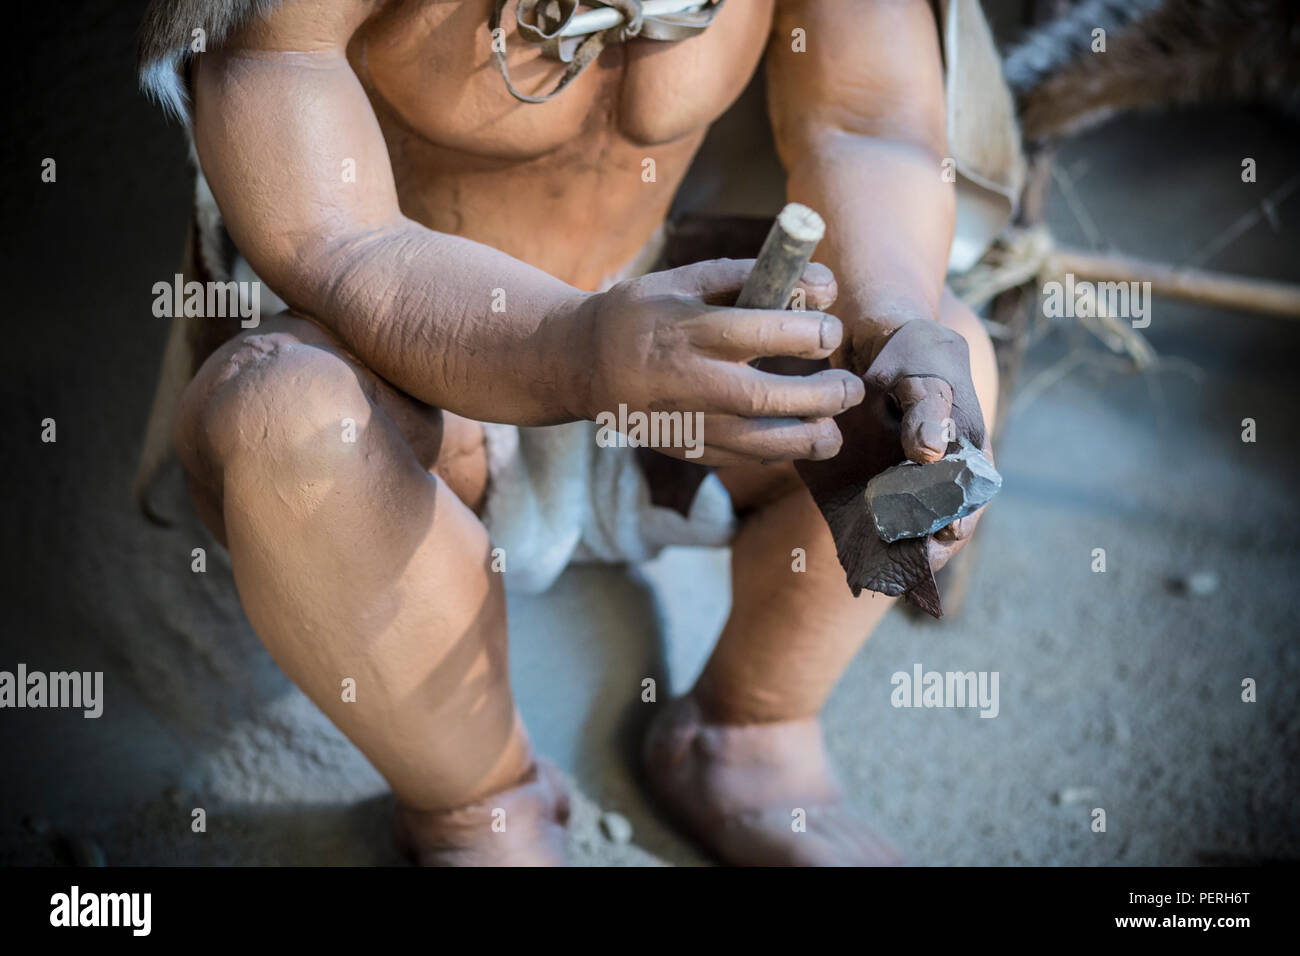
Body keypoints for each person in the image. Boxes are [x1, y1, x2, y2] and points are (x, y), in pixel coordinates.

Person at [138, 0, 1001, 865]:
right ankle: (479, 805)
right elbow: (330, 229)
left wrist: (890, 320)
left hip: (662, 349)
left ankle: (751, 730)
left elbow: (870, 122)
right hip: (420, 373)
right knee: (280, 416)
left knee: (939, 368)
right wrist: (575, 352)